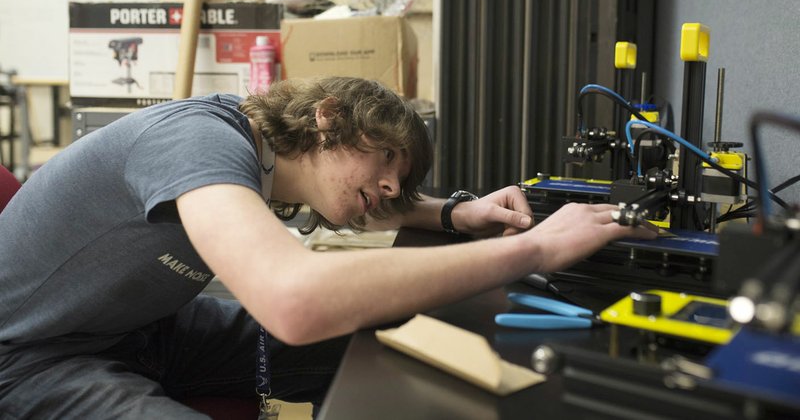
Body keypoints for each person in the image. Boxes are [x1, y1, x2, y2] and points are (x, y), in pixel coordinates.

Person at [0, 76, 655, 418]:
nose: (395, 184)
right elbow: (293, 300)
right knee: (318, 320)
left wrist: (454, 214)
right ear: (328, 116)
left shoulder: (254, 154)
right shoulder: (198, 142)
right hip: (33, 358)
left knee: (383, 339)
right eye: (388, 158)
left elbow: (342, 206)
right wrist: (534, 250)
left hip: (142, 330)